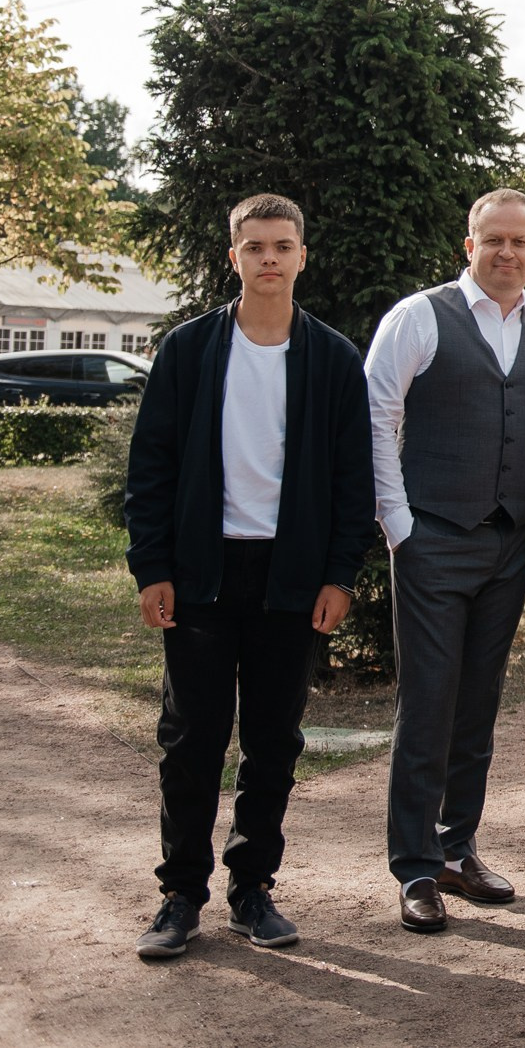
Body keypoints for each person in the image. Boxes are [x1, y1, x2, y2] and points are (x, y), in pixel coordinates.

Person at [126, 194, 375, 959]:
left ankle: (251, 888)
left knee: (274, 740)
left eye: (283, 246)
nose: (270, 258)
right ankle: (180, 895)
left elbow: (350, 479)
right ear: (232, 257)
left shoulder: (332, 358)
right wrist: (153, 567)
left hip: (290, 578)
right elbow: (153, 465)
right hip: (201, 572)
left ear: (303, 256)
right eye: (255, 247)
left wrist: (339, 575)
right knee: (191, 739)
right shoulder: (190, 350)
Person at [366, 188, 525, 935]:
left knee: (479, 702)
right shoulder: (419, 316)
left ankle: (458, 847)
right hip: (431, 536)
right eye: (493, 240)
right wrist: (399, 525)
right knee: (428, 701)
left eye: (520, 242)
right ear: (469, 245)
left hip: (508, 540)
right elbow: (376, 415)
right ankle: (416, 868)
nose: (506, 253)